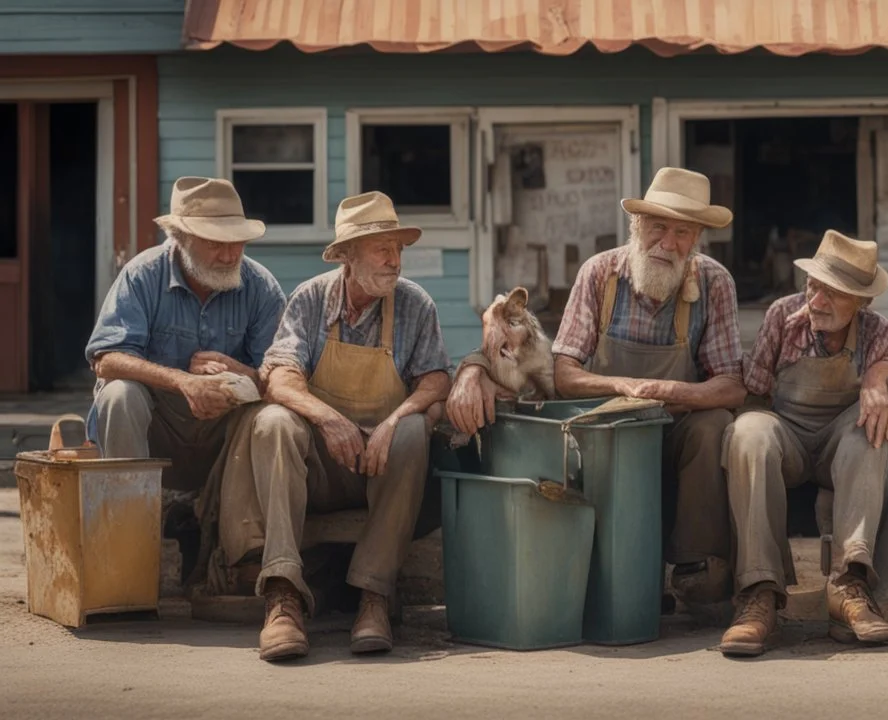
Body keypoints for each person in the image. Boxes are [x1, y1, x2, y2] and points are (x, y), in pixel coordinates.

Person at [447, 167, 745, 604]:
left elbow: (731, 386)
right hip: (609, 431)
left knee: (715, 424)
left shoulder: (715, 282)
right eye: (658, 226)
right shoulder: (600, 275)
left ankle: (694, 566)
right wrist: (629, 390)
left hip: (676, 429)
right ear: (636, 226)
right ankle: (617, 572)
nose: (668, 242)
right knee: (592, 440)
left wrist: (668, 394)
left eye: (683, 232)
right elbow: (565, 374)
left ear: (697, 238)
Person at [217, 191, 452, 661]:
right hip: (323, 465)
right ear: (347, 255)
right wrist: (329, 419)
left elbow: (436, 379)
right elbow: (278, 377)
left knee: (412, 429)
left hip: (383, 471)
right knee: (274, 422)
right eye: (382, 248)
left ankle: (374, 597)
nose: (394, 261)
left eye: (399, 249)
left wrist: (394, 420)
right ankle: (283, 595)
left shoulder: (414, 304)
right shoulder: (309, 299)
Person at [718, 231, 888, 657]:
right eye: (814, 287)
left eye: (834, 294)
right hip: (789, 438)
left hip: (841, 446)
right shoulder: (782, 316)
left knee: (872, 430)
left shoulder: (878, 331)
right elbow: (753, 391)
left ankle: (849, 585)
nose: (816, 302)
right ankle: (759, 592)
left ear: (862, 303)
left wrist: (878, 375)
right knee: (749, 432)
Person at [84, 176, 285, 493]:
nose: (230, 255)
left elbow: (280, 379)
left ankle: (245, 533)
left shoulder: (261, 286)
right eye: (216, 243)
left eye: (238, 242)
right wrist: (184, 381)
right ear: (179, 237)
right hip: (159, 424)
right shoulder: (143, 274)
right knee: (119, 394)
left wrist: (238, 374)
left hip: (226, 429)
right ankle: (129, 525)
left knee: (276, 414)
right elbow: (106, 360)